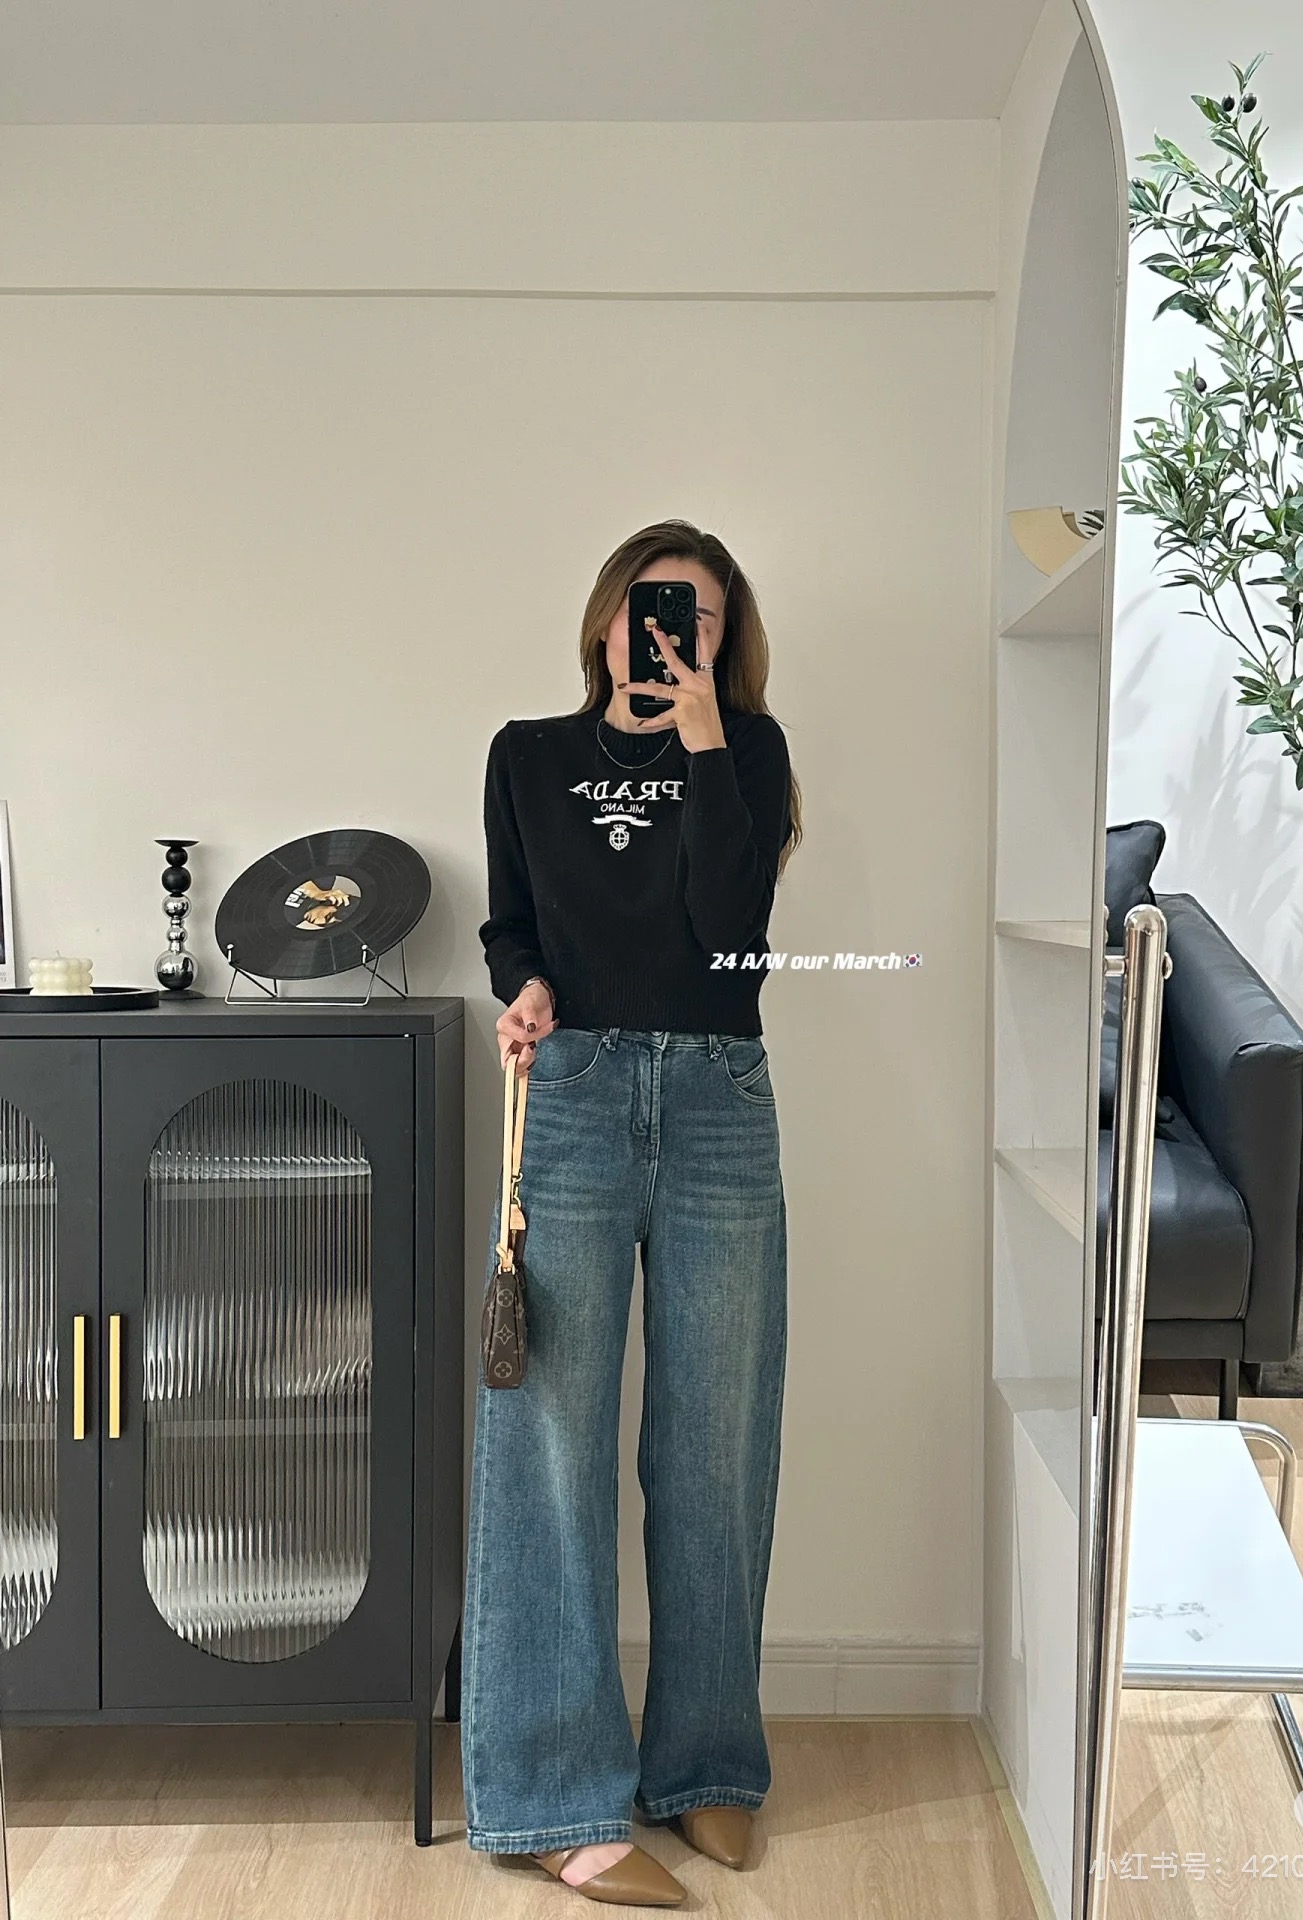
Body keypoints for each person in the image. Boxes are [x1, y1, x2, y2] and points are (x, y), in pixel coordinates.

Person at [462, 519, 802, 1906]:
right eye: (652, 608)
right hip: (578, 1096)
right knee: (552, 1444)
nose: (667, 633)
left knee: (717, 1443)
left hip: (720, 1099)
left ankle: (706, 1764)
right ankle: (554, 1794)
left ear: (724, 641)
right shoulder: (527, 755)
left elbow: (732, 935)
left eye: (698, 618)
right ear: (608, 617)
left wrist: (709, 734)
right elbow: (513, 928)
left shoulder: (751, 755)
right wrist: (528, 990)